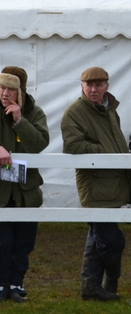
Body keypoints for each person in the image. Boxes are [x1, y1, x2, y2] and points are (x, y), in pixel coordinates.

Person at [0, 67, 49, 303]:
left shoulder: (35, 113)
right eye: (2, 87)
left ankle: (17, 284)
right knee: (1, 241)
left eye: (10, 89)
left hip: (25, 191)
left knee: (24, 241)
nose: (5, 93)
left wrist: (19, 121)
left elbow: (40, 143)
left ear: (21, 91)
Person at [61, 66, 130, 301]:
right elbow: (73, 146)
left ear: (106, 87)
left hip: (114, 185)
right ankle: (110, 282)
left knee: (97, 237)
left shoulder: (110, 110)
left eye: (99, 85)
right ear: (81, 86)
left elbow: (118, 142)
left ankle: (90, 287)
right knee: (113, 240)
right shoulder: (75, 112)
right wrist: (108, 152)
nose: (93, 89)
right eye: (89, 85)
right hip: (95, 186)